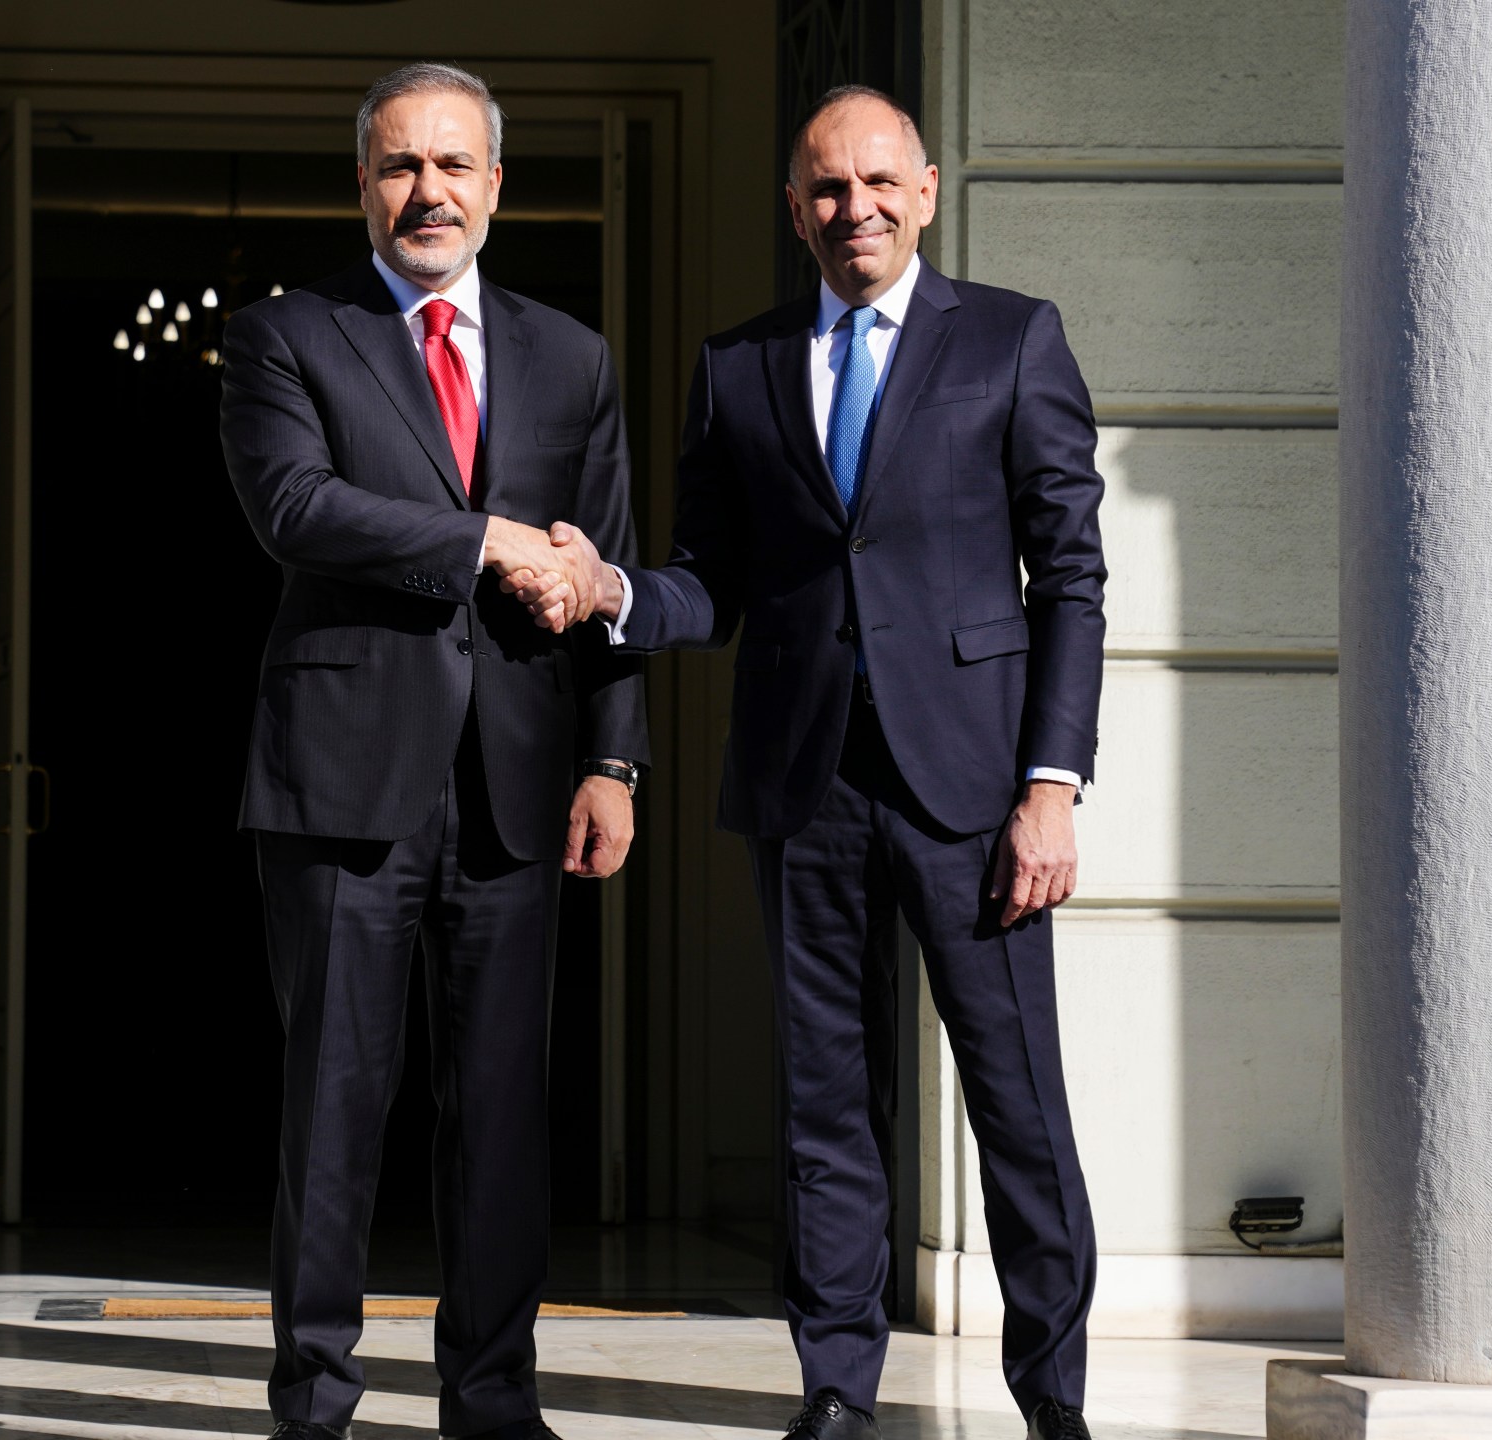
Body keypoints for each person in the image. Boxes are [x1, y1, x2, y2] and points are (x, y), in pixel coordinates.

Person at [509, 83, 1106, 1440]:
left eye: (882, 182)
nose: (858, 208)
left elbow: (1071, 574)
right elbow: (714, 584)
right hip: (804, 786)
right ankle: (836, 1391)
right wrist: (614, 593)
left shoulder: (1014, 340)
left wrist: (1050, 786)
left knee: (1019, 1114)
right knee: (823, 1113)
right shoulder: (740, 365)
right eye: (829, 189)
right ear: (796, 209)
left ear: (930, 190)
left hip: (976, 799)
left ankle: (1053, 1404)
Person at [219, 60, 647, 1440]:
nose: (428, 191)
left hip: (520, 783)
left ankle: (494, 1401)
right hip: (344, 777)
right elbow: (297, 508)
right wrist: (481, 541)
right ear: (361, 184)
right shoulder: (287, 336)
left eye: (455, 165)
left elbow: (605, 574)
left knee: (503, 1119)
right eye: (401, 165)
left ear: (498, 185)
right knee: (334, 1106)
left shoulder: (569, 356)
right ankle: (315, 1400)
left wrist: (614, 761)